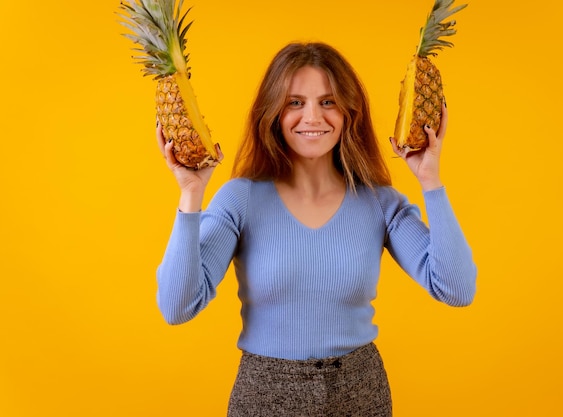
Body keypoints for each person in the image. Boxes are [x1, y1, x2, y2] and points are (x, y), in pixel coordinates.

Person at [155, 42, 477, 417]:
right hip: (266, 396)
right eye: (295, 102)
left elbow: (456, 288)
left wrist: (430, 180)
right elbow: (177, 306)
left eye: (328, 102)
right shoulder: (239, 200)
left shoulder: (378, 202)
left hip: (361, 393)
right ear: (272, 112)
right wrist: (191, 193)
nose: (312, 117)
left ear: (348, 112)